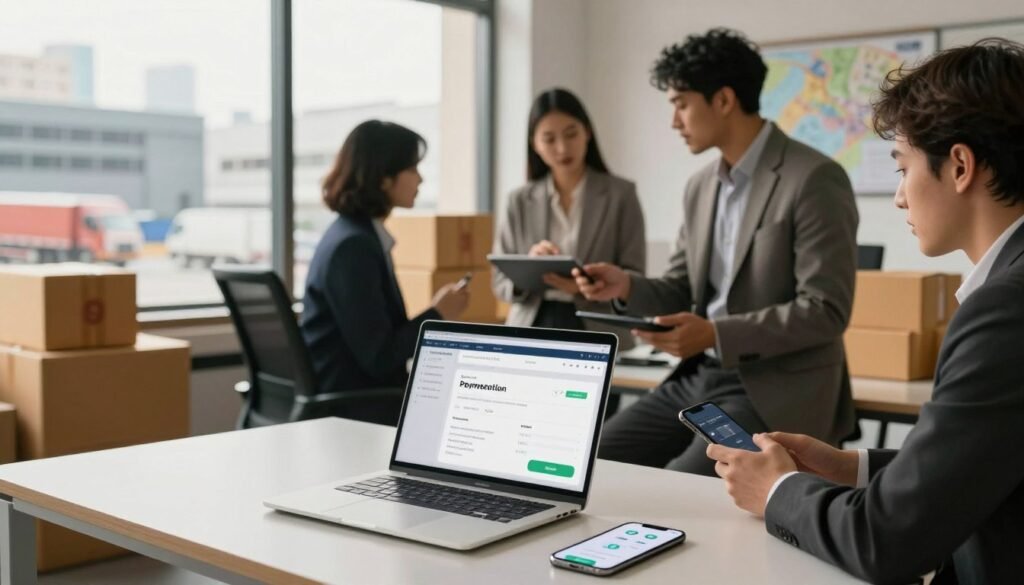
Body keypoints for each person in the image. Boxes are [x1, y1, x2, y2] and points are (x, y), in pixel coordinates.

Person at [707, 39, 1024, 585]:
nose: (900, 197)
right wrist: (849, 468)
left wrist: (777, 490)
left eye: (902, 168)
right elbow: (979, 461)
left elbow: (886, 540)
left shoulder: (1004, 309)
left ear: (961, 166)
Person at [574, 28, 859, 475]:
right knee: (591, 460)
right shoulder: (700, 186)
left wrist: (715, 334)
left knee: (682, 484)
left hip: (775, 389)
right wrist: (626, 285)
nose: (674, 121)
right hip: (700, 378)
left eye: (681, 104)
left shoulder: (814, 178)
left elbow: (825, 310)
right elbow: (680, 287)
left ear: (724, 100)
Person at [301, 120, 469, 425]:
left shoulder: (352, 235)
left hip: (356, 399)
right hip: (356, 411)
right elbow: (380, 357)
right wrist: (438, 314)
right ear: (383, 178)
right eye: (413, 169)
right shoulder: (353, 248)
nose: (420, 179)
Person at [493, 88, 646, 347]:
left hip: (598, 323)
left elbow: (635, 276)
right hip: (532, 322)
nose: (562, 148)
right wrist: (529, 269)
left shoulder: (621, 194)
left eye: (571, 134)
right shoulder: (518, 200)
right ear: (534, 144)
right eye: (549, 139)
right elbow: (500, 282)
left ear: (587, 132)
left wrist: (587, 288)